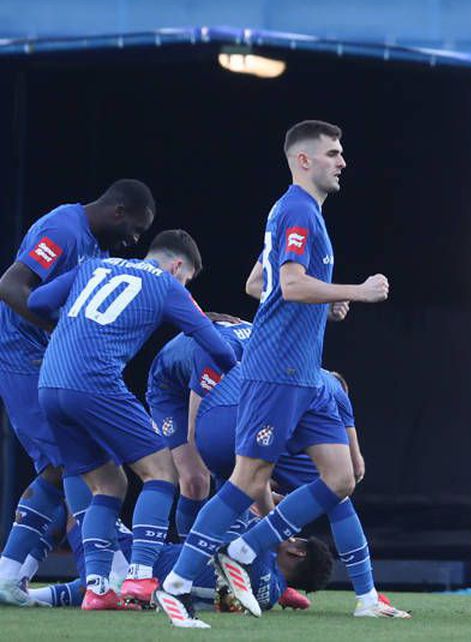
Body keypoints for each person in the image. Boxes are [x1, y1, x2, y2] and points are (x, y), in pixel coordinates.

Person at [155, 120, 391, 627]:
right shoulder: (298, 209)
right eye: (332, 153)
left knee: (341, 478)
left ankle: (243, 549)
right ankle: (175, 587)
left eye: (341, 152)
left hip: (304, 373)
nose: (342, 161)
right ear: (303, 161)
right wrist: (356, 291)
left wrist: (320, 306)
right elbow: (289, 282)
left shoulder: (298, 213)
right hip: (275, 369)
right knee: (248, 479)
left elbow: (260, 281)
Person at [29, 229, 239, 610]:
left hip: (50, 383)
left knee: (108, 483)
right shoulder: (165, 283)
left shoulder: (93, 265)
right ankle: (141, 576)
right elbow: (215, 344)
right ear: (178, 266)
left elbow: (37, 299)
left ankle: (97, 589)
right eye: (186, 279)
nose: (184, 284)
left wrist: (74, 328)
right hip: (94, 380)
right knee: (161, 472)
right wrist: (237, 370)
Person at [0, 179, 155, 607]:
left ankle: (10, 573)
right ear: (118, 211)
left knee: (57, 465)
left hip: (49, 359)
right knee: (80, 460)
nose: (133, 241)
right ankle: (105, 574)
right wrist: (61, 332)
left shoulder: (97, 248)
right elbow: (11, 285)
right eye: (136, 230)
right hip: (23, 355)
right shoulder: (64, 230)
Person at [192, 363, 406, 617]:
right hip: (263, 414)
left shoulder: (267, 353)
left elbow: (257, 483)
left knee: (231, 493)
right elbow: (355, 466)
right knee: (339, 494)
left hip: (208, 425)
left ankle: (179, 581)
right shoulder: (332, 389)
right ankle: (367, 597)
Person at [29, 512, 334, 615]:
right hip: (154, 595)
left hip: (143, 569)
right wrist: (285, 591)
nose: (287, 536)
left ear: (297, 554)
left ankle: (17, 568)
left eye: (295, 539)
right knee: (96, 583)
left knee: (75, 493)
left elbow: (234, 519)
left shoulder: (255, 555)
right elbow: (266, 579)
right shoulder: (267, 592)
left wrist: (260, 499)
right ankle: (25, 595)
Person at [145, 313, 250, 538]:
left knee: (241, 471)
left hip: (209, 377)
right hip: (170, 389)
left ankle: (222, 557)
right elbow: (196, 431)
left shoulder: (280, 364)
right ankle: (186, 556)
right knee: (195, 480)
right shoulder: (221, 354)